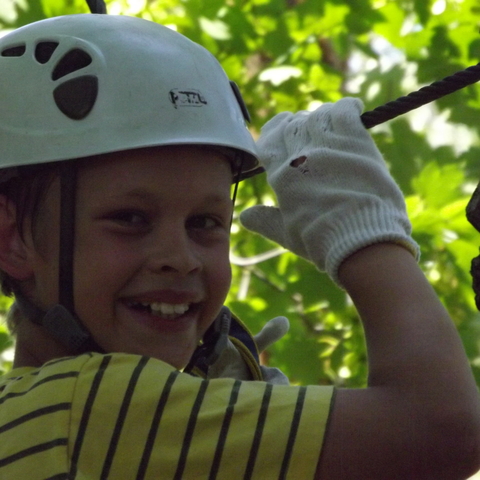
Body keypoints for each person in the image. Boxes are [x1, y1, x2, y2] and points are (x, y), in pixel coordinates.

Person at [0, 12, 478, 480]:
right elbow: (443, 431)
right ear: (11, 237)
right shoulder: (87, 405)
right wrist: (365, 238)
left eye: (205, 223)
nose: (180, 259)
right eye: (130, 219)